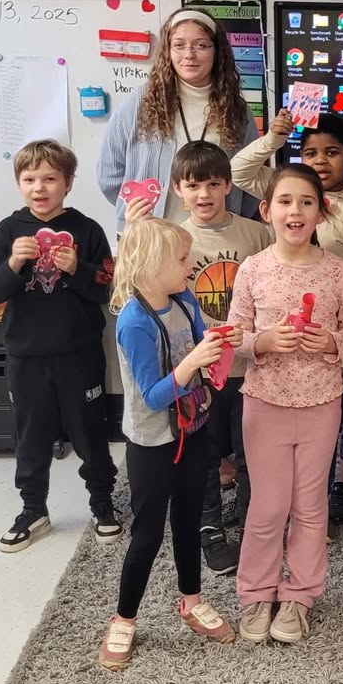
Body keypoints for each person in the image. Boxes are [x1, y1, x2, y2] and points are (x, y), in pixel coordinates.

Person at [231, 110, 343, 529]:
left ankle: (338, 491)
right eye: (311, 152)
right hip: (271, 379)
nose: (320, 160)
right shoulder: (288, 191)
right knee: (274, 481)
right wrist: (276, 138)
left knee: (342, 431)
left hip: (329, 361)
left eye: (332, 152)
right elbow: (237, 170)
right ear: (270, 209)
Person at [229, 165, 343, 644]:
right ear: (266, 211)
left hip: (321, 403)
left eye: (307, 201)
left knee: (309, 507)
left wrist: (329, 342)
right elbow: (234, 334)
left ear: (321, 211)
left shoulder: (337, 271)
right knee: (266, 506)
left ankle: (300, 593)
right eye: (285, 201)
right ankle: (257, 592)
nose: (296, 211)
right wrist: (262, 341)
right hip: (264, 402)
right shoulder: (253, 268)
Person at [99, 216, 235, 670]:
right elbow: (154, 396)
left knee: (189, 519)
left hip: (193, 428)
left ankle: (191, 600)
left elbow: (199, 345)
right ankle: (124, 618)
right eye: (181, 259)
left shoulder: (184, 298)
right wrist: (194, 360)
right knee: (147, 533)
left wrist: (215, 343)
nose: (189, 266)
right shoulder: (134, 321)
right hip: (152, 442)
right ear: (152, 264)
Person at [0, 140, 120, 553]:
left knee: (90, 432)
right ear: (18, 183)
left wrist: (78, 268)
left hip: (79, 355)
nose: (39, 187)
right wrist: (11, 265)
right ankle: (32, 509)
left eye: (50, 178)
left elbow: (106, 289)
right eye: (29, 179)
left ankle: (102, 503)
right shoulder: (6, 232)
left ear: (68, 182)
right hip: (26, 356)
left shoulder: (88, 229)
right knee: (31, 435)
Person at [146, 141, 269, 574]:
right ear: (178, 189)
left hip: (250, 364)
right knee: (204, 451)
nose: (204, 194)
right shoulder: (173, 236)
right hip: (198, 367)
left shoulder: (255, 233)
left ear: (229, 186)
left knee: (252, 448)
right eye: (193, 185)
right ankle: (209, 526)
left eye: (213, 184)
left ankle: (255, 522)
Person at [98, 8, 259, 231]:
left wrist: (233, 216)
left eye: (201, 45)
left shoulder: (236, 110)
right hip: (152, 236)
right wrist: (137, 208)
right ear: (168, 50)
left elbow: (251, 179)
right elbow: (109, 173)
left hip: (216, 238)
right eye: (179, 45)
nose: (189, 54)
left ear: (217, 51)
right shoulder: (142, 102)